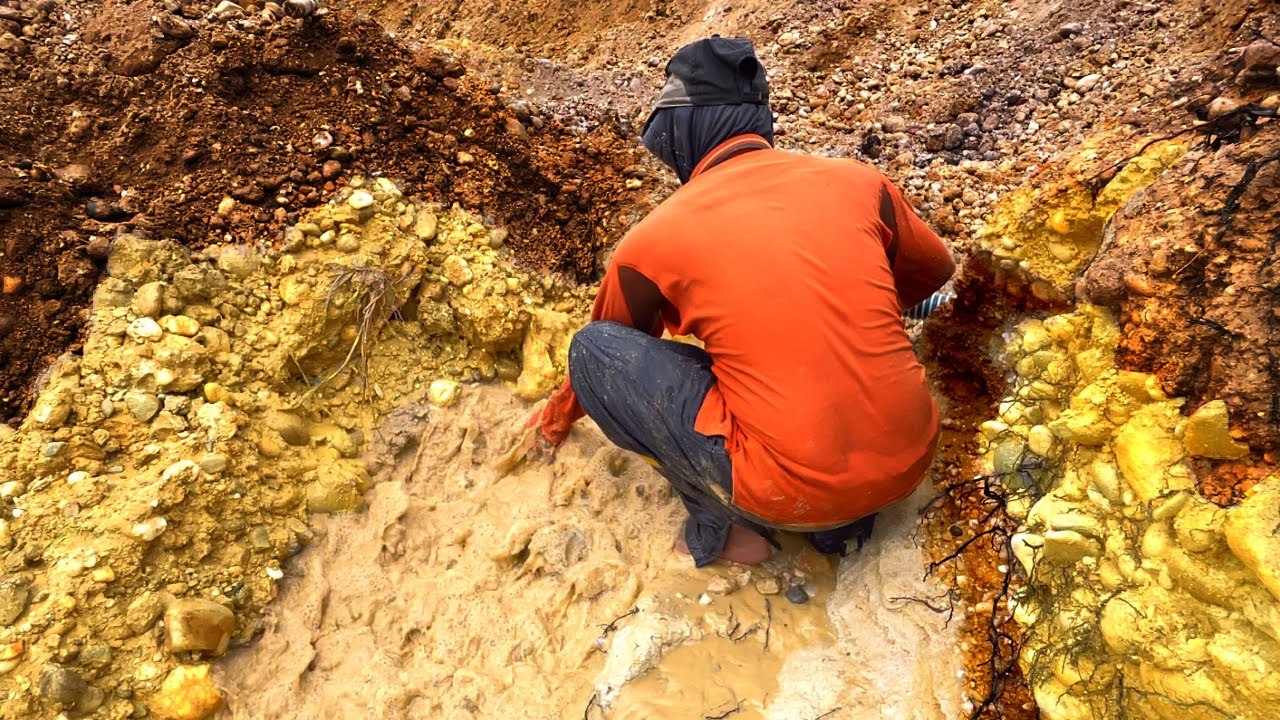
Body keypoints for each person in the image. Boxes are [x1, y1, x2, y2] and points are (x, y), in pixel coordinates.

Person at [508, 36, 955, 567]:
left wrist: (555, 418)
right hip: (910, 458)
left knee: (591, 349)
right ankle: (845, 526)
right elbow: (933, 275)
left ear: (684, 134)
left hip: (790, 493)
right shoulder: (860, 182)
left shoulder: (656, 238)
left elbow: (609, 356)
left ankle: (720, 530)